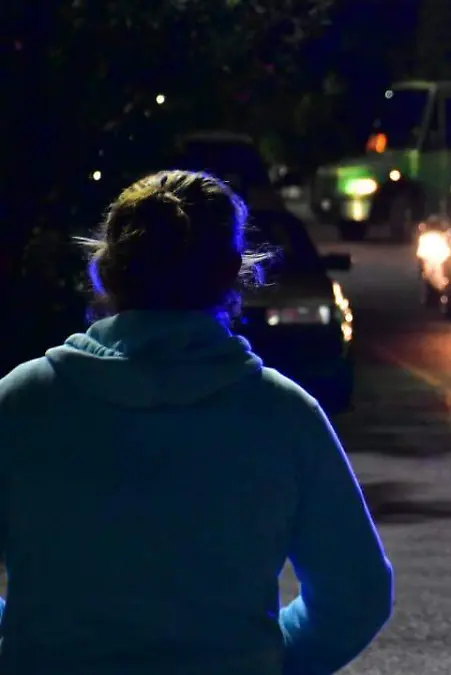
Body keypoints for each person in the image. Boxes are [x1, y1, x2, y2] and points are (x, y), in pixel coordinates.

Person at [0, 170, 394, 674]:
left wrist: (25, 645)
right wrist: (268, 657)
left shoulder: (24, 402)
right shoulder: (283, 415)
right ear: (232, 272)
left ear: (105, 271)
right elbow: (357, 594)